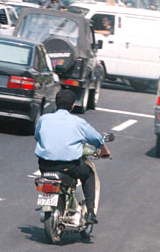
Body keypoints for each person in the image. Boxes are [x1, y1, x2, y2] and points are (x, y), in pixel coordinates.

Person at [35, 89, 110, 225]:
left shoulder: (44, 119)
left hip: (44, 165)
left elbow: (37, 136)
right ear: (73, 105)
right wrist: (105, 151)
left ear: (56, 103)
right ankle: (91, 213)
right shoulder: (78, 123)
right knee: (88, 174)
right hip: (68, 167)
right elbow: (97, 139)